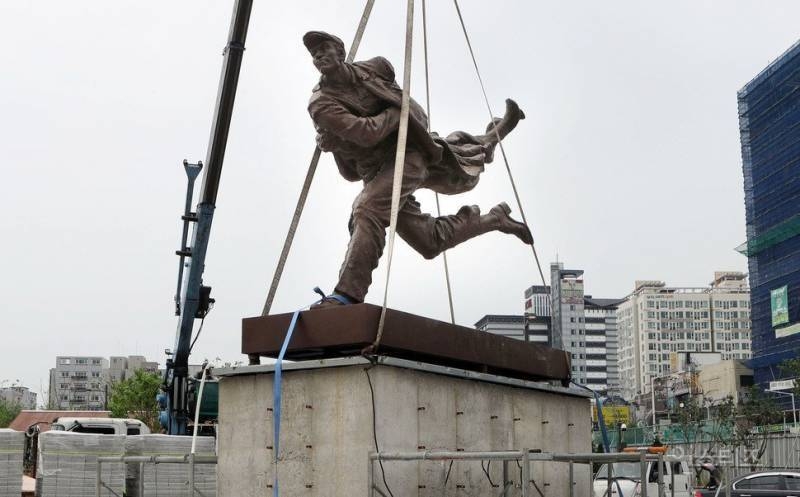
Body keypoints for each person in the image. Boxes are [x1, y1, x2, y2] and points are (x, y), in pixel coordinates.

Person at [303, 31, 532, 307]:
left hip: (409, 153)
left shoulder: (375, 68)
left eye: (324, 48)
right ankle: (496, 219)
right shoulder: (321, 104)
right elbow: (364, 138)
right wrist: (393, 116)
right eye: (314, 53)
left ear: (340, 52)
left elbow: (408, 110)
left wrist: (403, 114)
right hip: (376, 171)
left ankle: (347, 295)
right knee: (429, 242)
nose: (318, 55)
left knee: (368, 208)